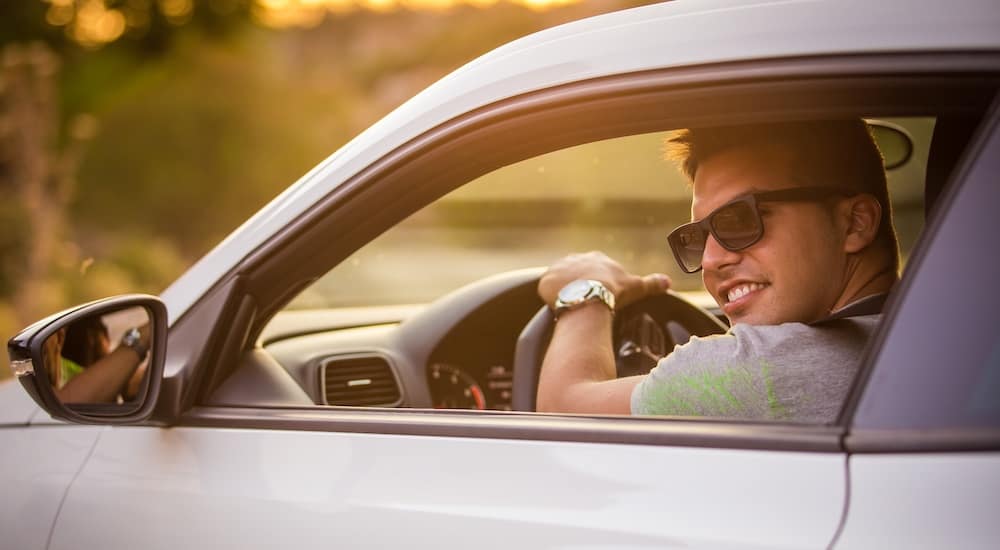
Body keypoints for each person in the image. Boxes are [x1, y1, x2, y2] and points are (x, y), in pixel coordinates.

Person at [536, 119, 899, 423]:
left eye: (741, 219)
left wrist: (587, 292)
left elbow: (560, 413)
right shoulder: (929, 338)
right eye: (696, 237)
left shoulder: (760, 372)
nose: (710, 261)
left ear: (854, 223)